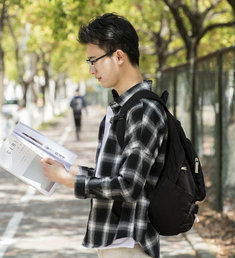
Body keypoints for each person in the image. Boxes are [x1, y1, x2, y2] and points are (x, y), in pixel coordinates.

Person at [41, 13, 168, 258]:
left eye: (94, 60)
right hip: (115, 243)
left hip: (129, 244)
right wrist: (71, 170)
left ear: (118, 56)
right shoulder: (122, 108)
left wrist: (70, 181)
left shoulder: (143, 110)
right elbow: (116, 176)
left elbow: (128, 186)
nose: (91, 70)